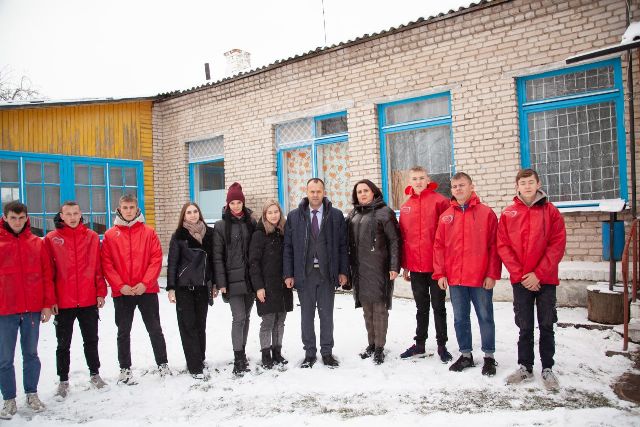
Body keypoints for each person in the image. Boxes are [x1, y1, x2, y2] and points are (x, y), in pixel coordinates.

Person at [497, 169, 566, 390]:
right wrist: (521, 275)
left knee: (546, 324)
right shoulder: (508, 213)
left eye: (530, 182)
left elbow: (557, 245)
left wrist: (538, 274)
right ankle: (525, 367)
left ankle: (547, 368)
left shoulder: (551, 211)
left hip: (546, 279)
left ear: (538, 184)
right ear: (517, 186)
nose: (527, 186)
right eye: (523, 183)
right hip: (521, 281)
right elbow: (503, 246)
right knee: (525, 326)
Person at [433, 172, 501, 376]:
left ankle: (489, 356)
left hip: (480, 278)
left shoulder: (486, 213)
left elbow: (494, 246)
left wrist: (492, 274)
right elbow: (439, 246)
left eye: (462, 185)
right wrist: (440, 273)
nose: (458, 189)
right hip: (456, 278)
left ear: (471, 187)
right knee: (460, 318)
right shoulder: (446, 216)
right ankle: (465, 355)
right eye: (454, 186)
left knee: (485, 316)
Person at [101, 194, 170, 385]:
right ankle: (125, 368)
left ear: (137, 209)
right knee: (123, 331)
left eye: (131, 207)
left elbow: (156, 259)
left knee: (154, 328)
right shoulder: (110, 235)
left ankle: (163, 363)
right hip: (123, 292)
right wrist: (120, 285)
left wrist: (145, 283)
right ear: (119, 209)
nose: (128, 211)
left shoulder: (148, 232)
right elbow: (107, 263)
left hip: (146, 290)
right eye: (125, 208)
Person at [44, 201, 108, 398]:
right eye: (68, 214)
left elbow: (98, 267)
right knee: (63, 344)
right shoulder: (52, 238)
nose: (72, 217)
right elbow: (48, 272)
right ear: (61, 216)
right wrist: (51, 300)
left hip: (88, 299)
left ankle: (95, 374)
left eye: (75, 213)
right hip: (64, 302)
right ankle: (63, 380)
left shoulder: (91, 236)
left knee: (91, 340)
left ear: (81, 215)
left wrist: (100, 292)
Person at [283, 178, 348, 368]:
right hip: (305, 274)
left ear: (324, 192)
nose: (315, 195)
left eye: (319, 191)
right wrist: (288, 274)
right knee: (307, 316)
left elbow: (342, 246)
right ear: (306, 192)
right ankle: (310, 353)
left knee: (326, 315)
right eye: (312, 191)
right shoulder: (294, 216)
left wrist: (343, 271)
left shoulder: (335, 215)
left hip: (327, 274)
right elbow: (288, 248)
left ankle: (327, 352)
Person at [0, 201, 54, 419]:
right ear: (5, 217)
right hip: (5, 310)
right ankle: (9, 399)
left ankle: (32, 393)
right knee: (5, 357)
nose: (17, 222)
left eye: (21, 218)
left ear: (26, 218)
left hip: (31, 308)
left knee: (31, 354)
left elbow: (46, 274)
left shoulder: (36, 243)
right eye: (13, 218)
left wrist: (47, 304)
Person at [398, 166, 453, 363]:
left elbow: (448, 235)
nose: (418, 182)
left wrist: (444, 267)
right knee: (421, 307)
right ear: (410, 181)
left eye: (422, 178)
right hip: (415, 267)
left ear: (428, 179)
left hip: (436, 267)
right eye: (415, 178)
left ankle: (442, 345)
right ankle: (419, 344)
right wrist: (405, 265)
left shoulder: (440, 201)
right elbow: (404, 238)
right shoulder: (406, 206)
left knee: (439, 306)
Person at [346, 180, 400, 365]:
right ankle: (371, 344)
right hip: (360, 269)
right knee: (367, 309)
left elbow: (394, 241)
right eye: (359, 191)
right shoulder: (354, 214)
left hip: (379, 268)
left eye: (365, 190)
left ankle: (379, 348)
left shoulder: (385, 212)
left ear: (374, 192)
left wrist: (394, 266)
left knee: (379, 309)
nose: (362, 194)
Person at [166, 202, 216, 380]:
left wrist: (214, 283)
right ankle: (194, 366)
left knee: (200, 325)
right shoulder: (179, 236)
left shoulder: (209, 234)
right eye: (189, 212)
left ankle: (200, 359)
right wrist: (171, 288)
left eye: (195, 211)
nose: (193, 215)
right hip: (184, 288)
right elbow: (172, 263)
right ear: (184, 216)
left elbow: (213, 262)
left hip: (202, 287)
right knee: (188, 327)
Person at [213, 182, 256, 376]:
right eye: (232, 203)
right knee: (238, 318)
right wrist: (221, 282)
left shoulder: (251, 222)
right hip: (232, 281)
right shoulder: (221, 226)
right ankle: (238, 358)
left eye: (239, 202)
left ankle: (242, 352)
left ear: (243, 202)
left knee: (246, 317)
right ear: (227, 204)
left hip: (250, 280)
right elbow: (217, 256)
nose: (236, 206)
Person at [249, 199, 293, 369]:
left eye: (276, 212)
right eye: (270, 212)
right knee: (268, 321)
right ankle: (266, 354)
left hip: (282, 285)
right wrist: (259, 287)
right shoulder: (259, 234)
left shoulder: (284, 232)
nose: (274, 215)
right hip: (266, 286)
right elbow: (253, 263)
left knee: (280, 320)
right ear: (264, 214)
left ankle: (277, 352)